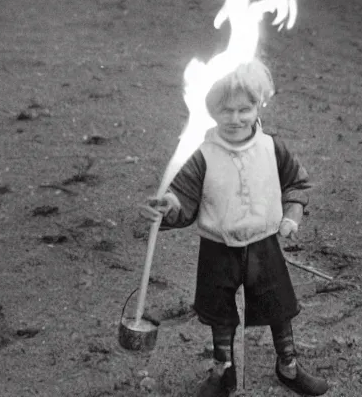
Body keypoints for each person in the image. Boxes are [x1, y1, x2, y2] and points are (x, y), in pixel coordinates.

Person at [139, 58, 328, 396]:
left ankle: (289, 366)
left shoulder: (271, 147)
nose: (236, 118)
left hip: (263, 245)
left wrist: (292, 215)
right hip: (218, 248)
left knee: (278, 305)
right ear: (209, 109)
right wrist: (169, 208)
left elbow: (297, 184)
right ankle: (222, 372)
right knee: (220, 312)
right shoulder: (202, 154)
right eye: (225, 110)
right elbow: (183, 202)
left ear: (259, 105)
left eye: (245, 108)